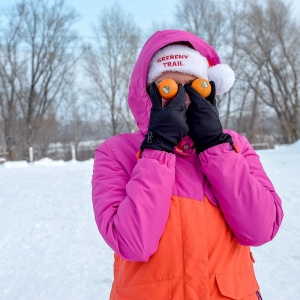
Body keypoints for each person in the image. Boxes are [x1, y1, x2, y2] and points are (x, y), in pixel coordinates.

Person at [92, 29, 284, 300]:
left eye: (193, 87)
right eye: (168, 88)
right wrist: (157, 147)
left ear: (208, 91)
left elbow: (261, 228)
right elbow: (133, 242)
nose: (182, 100)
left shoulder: (236, 145)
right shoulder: (116, 153)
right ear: (149, 93)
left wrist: (216, 147)